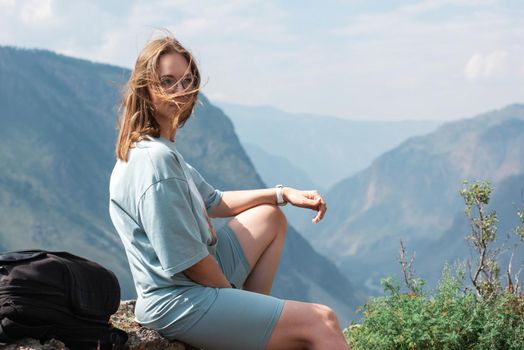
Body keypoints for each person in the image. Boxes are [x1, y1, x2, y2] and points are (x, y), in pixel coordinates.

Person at [109, 33, 350, 350]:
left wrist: (283, 194)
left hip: (187, 285)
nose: (180, 92)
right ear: (145, 88)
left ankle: (252, 327)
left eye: (186, 81)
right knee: (323, 321)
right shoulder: (157, 164)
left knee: (270, 217)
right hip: (177, 300)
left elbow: (214, 200)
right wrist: (232, 298)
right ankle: (249, 330)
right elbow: (189, 262)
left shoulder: (156, 150)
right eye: (167, 82)